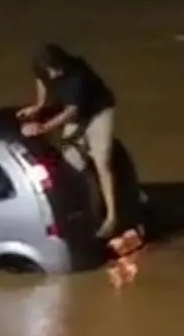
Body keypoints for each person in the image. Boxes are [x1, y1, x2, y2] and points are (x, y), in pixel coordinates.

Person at [17, 43, 119, 238]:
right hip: (75, 114)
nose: (53, 75)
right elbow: (40, 80)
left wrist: (43, 128)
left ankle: (112, 217)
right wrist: (38, 106)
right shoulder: (42, 68)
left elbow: (70, 111)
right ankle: (88, 203)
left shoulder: (77, 75)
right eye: (49, 71)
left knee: (102, 162)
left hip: (98, 111)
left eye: (56, 70)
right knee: (71, 161)